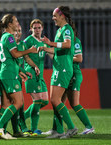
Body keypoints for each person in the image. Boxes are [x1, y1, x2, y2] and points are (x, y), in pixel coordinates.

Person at [0, 13, 37, 139]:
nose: (17, 23)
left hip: (6, 72)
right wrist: (30, 50)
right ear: (10, 24)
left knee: (7, 105)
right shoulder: (9, 38)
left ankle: (2, 132)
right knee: (18, 102)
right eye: (16, 21)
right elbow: (16, 55)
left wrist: (21, 71)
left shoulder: (3, 37)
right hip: (9, 74)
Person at [40, 6, 78, 139]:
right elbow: (57, 50)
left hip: (63, 68)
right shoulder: (60, 30)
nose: (53, 18)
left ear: (62, 16)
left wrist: (51, 43)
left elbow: (67, 44)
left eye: (55, 15)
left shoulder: (67, 29)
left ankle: (71, 127)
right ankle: (58, 130)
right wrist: (45, 48)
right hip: (58, 68)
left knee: (55, 99)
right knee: (55, 101)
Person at [62, 36, 94, 134]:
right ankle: (56, 128)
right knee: (59, 103)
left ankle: (89, 127)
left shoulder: (75, 41)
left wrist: (65, 57)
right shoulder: (62, 40)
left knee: (74, 103)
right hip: (66, 74)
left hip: (74, 74)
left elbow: (79, 58)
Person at [23, 19, 49, 135]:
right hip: (31, 73)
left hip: (41, 75)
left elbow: (51, 53)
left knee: (45, 101)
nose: (37, 30)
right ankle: (34, 129)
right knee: (37, 101)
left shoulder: (44, 41)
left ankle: (21, 117)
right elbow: (25, 56)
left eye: (39, 28)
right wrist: (33, 67)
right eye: (35, 28)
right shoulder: (28, 41)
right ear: (31, 29)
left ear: (42, 28)